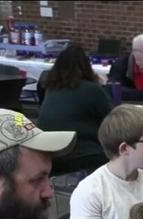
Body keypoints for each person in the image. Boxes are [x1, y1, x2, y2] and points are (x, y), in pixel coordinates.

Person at [37, 45, 112, 173]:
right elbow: (113, 122)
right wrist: (104, 87)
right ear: (86, 66)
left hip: (49, 154)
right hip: (82, 154)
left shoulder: (51, 88)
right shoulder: (91, 89)